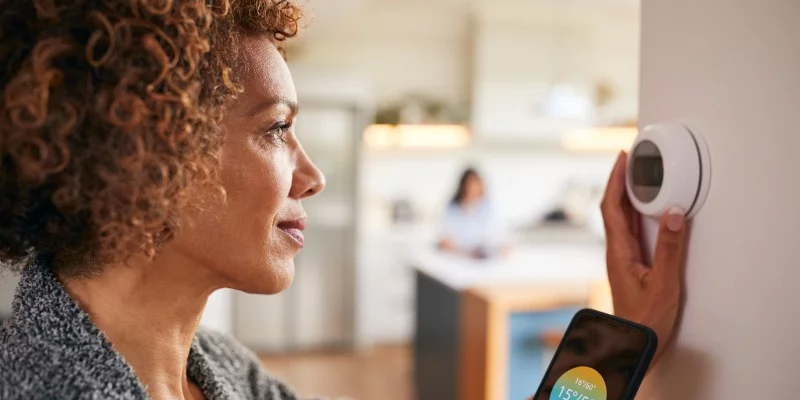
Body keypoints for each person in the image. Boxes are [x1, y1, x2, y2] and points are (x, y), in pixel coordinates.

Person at [0, 1, 688, 399]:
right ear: (146, 148)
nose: (313, 176)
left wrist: (616, 348)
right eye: (276, 129)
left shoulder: (222, 373)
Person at [438, 167, 507, 259]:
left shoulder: (487, 206)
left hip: (482, 255)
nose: (473, 189)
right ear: (463, 187)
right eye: (470, 185)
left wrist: (500, 247)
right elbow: (445, 238)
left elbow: (496, 234)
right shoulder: (452, 208)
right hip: (458, 256)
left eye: (476, 185)